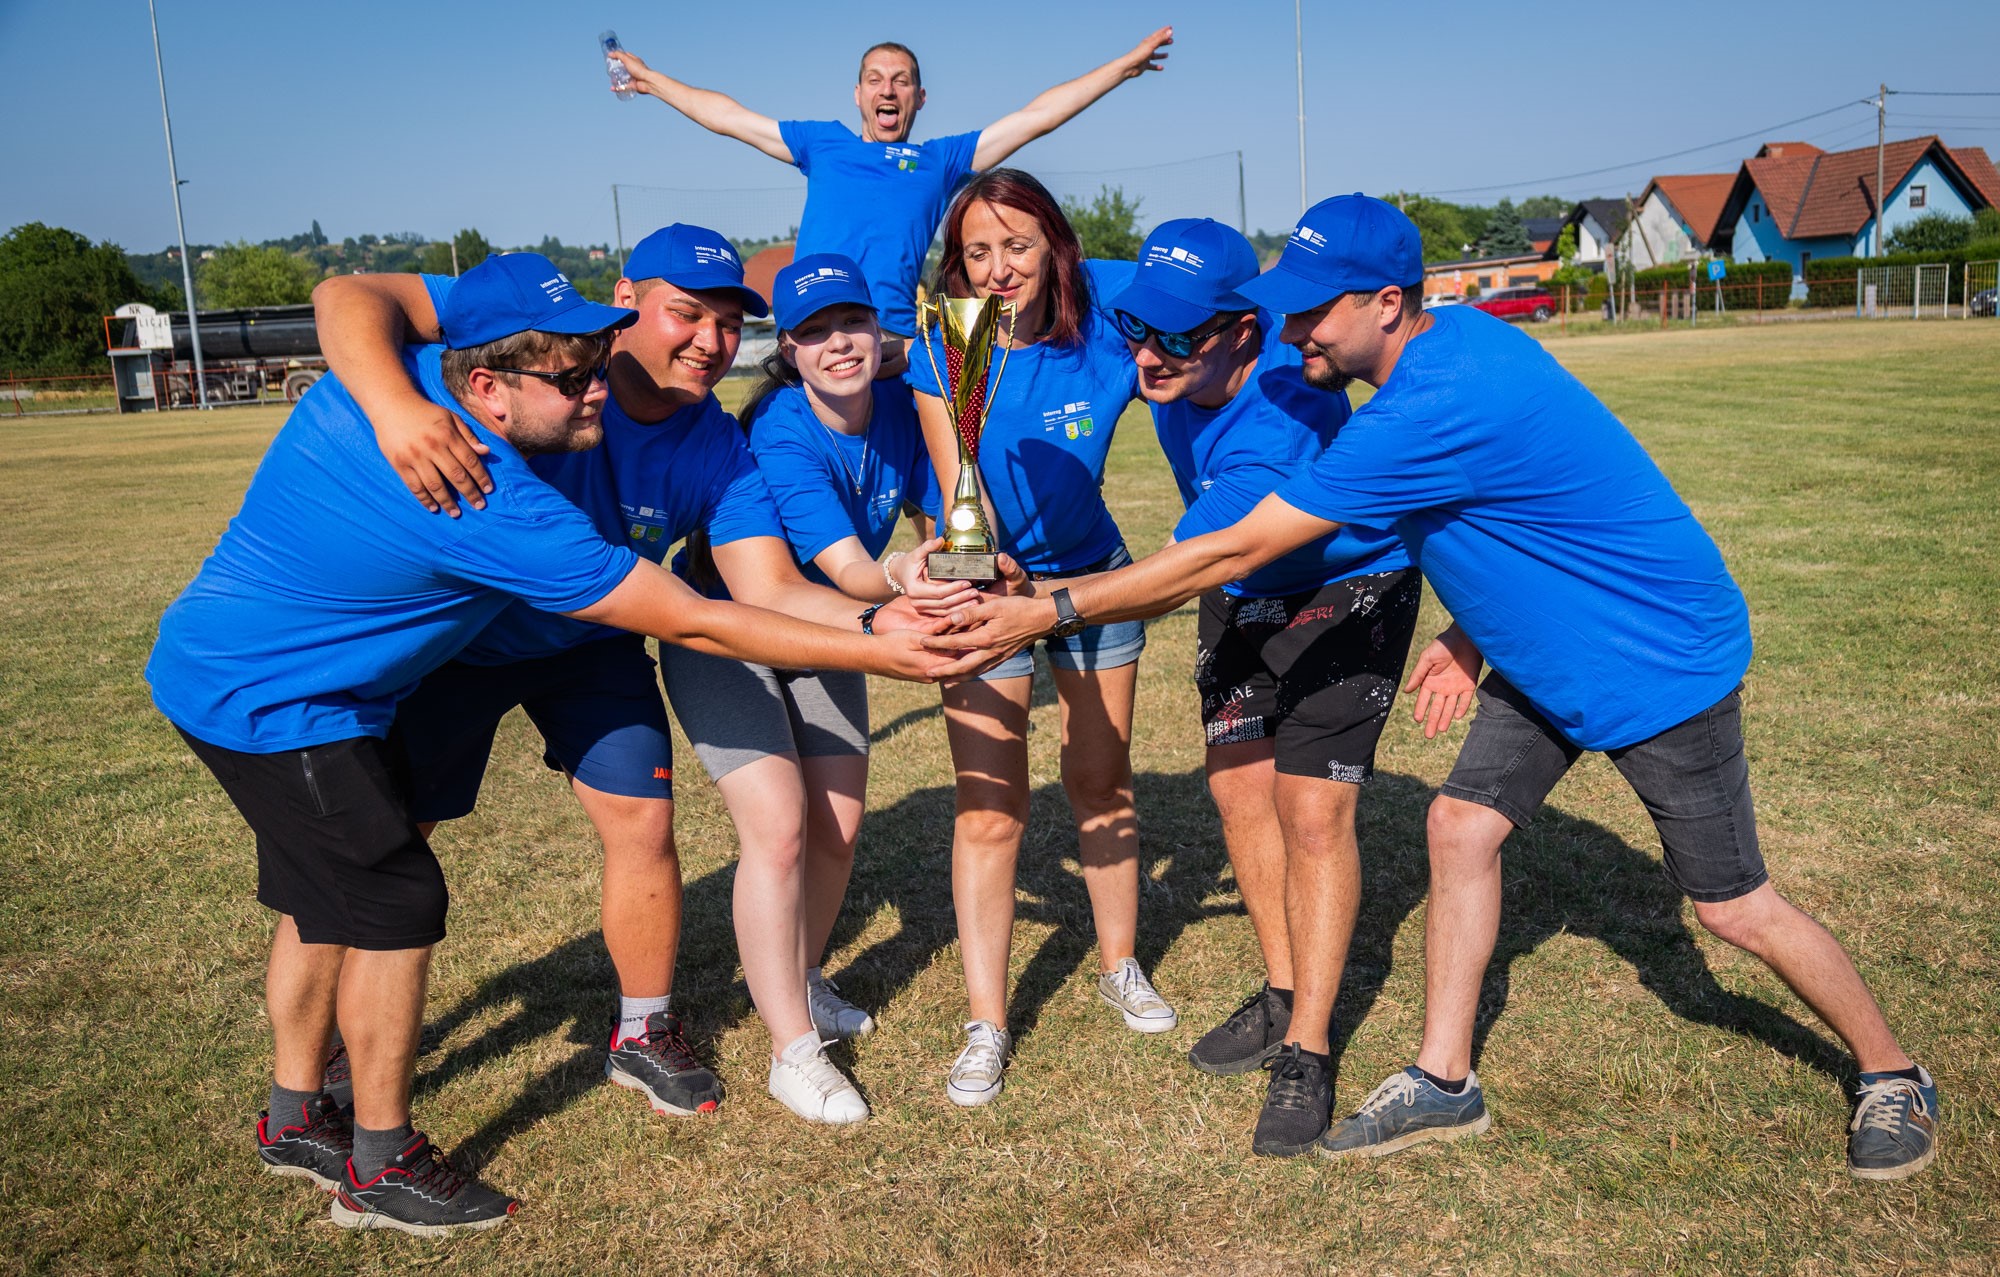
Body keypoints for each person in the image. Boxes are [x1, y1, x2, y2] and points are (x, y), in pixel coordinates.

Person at [936, 195, 1939, 1181]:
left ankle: (1892, 1071)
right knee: (1458, 829)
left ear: (1385, 304)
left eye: (1312, 312)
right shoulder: (1459, 341)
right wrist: (1466, 634)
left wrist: (1045, 612)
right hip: (1539, 653)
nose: (1294, 332)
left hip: (1653, 662)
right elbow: (1526, 506)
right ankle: (1445, 1077)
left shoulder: (1417, 411)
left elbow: (1237, 548)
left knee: (1733, 907)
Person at [148, 253, 970, 1237]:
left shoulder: (412, 378)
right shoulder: (489, 496)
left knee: (333, 894)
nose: (597, 389)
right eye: (573, 377)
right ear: (487, 385)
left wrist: (387, 397)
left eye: (596, 363)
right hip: (274, 698)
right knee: (386, 897)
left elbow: (353, 294)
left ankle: (299, 1117)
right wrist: (883, 651)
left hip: (282, 672)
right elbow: (694, 618)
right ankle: (378, 1163)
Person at [312, 225, 975, 1131]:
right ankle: (325, 1048)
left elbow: (767, 588)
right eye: (686, 314)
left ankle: (643, 1030)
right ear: (624, 299)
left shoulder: (718, 445)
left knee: (643, 821)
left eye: (728, 323)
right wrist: (394, 406)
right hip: (467, 638)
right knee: (391, 841)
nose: (710, 341)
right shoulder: (547, 351)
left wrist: (878, 619)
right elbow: (349, 293)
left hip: (595, 642)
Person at [1103, 218, 1427, 1157]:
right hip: (1243, 586)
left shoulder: (1288, 419)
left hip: (1345, 589)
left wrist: (1035, 606)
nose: (1147, 354)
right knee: (1240, 790)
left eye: (1175, 337)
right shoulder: (1162, 334)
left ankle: (1309, 1048)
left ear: (1243, 330)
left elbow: (1177, 571)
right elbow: (1064, 275)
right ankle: (1284, 988)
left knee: (1312, 812)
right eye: (1137, 326)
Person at [660, 252, 964, 1123]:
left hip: (834, 628)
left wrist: (958, 560)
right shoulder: (781, 427)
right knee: (781, 827)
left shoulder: (905, 404)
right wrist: (903, 578)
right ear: (787, 349)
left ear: (879, 328)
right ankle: (792, 1051)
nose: (839, 344)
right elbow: (852, 572)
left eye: (853, 323)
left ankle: (800, 977)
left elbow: (945, 511)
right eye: (815, 331)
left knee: (838, 827)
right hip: (736, 630)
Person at [905, 168, 1170, 1108]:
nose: (998, 267)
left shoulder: (1108, 320)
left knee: (1100, 777)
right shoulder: (944, 346)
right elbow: (960, 492)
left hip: (1093, 578)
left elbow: (1206, 305)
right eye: (977, 252)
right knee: (990, 805)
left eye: (1018, 245)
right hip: (984, 585)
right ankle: (987, 1020)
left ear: (1056, 246)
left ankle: (1119, 963)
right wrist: (990, 578)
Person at [606, 28, 1172, 361]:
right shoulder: (821, 144)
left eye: (902, 80)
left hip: (892, 343)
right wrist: (653, 81)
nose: (888, 89)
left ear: (919, 97)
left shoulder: (939, 161)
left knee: (930, 491)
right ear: (858, 94)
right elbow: (730, 117)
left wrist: (1120, 69)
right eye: (876, 79)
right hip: (809, 334)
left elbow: (1035, 118)